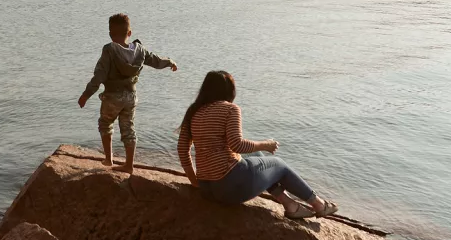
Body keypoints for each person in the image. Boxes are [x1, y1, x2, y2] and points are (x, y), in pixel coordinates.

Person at [176, 70, 337, 219]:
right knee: (278, 165)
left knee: (255, 156)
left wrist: (195, 182)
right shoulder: (230, 109)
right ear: (229, 91)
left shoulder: (193, 111)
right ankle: (319, 205)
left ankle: (290, 205)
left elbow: (183, 150)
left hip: (207, 190)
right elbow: (237, 145)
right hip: (231, 188)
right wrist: (265, 145)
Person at [77, 13, 178, 174]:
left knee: (105, 124)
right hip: (131, 97)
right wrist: (170, 62)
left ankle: (109, 158)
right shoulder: (140, 50)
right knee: (128, 129)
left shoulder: (109, 50)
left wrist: (86, 95)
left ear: (110, 34)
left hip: (112, 97)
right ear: (129, 33)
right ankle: (129, 165)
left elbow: (99, 75)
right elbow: (156, 61)